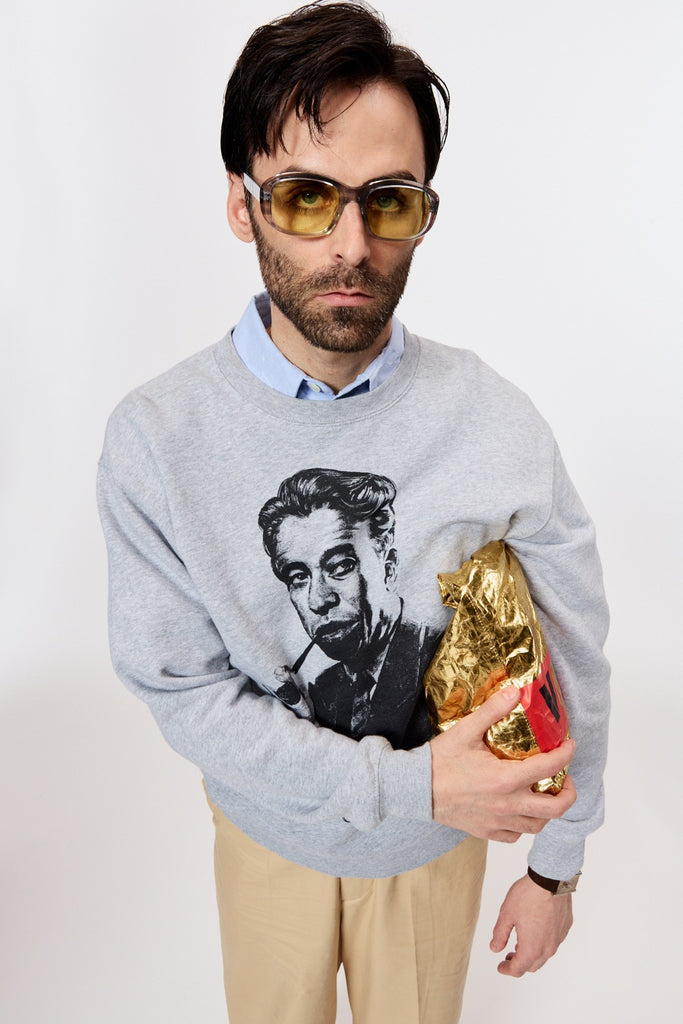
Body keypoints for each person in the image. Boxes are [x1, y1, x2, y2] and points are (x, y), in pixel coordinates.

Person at [97, 2, 610, 1022]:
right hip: (266, 834)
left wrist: (556, 865)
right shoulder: (155, 437)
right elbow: (183, 689)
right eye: (304, 196)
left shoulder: (495, 423)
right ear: (241, 203)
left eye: (389, 201)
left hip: (433, 856)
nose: (351, 245)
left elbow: (574, 651)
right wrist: (415, 786)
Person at [258, 467, 440, 746]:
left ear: (389, 568)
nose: (318, 600)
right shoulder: (323, 690)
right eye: (298, 577)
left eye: (341, 566)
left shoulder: (442, 656)